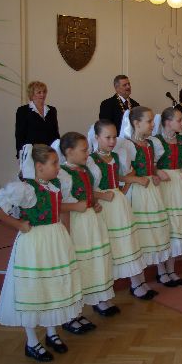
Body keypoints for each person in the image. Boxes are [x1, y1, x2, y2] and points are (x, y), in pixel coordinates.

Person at [0, 144, 83, 362]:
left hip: (55, 239)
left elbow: (58, 208)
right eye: (54, 163)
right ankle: (32, 342)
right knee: (33, 288)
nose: (58, 167)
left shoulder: (56, 184)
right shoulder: (26, 189)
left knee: (53, 285)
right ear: (39, 167)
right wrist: (18, 224)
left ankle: (51, 332)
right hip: (35, 243)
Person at [54, 132, 118, 332]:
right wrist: (67, 231)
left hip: (91, 222)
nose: (87, 153)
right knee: (79, 265)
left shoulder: (85, 169)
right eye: (83, 150)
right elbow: (58, 206)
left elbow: (88, 193)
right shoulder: (62, 175)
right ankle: (72, 315)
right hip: (75, 225)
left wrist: (94, 202)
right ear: (69, 152)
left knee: (93, 262)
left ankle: (96, 300)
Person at [87, 120, 147, 291]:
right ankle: (105, 289)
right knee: (109, 244)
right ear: (96, 137)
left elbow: (120, 176)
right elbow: (87, 188)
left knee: (126, 241)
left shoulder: (116, 156)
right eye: (108, 137)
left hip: (118, 204)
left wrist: (127, 186)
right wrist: (100, 197)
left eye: (114, 137)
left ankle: (137, 282)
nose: (112, 141)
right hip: (103, 206)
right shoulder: (91, 160)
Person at [118, 107, 173, 291]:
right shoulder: (127, 146)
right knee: (139, 235)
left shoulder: (150, 144)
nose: (152, 125)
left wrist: (155, 174)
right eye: (149, 121)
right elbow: (122, 174)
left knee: (154, 231)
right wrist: (137, 179)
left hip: (151, 191)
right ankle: (137, 282)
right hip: (137, 192)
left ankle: (160, 272)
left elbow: (150, 166)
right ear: (136, 123)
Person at [149, 108, 182, 285]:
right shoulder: (156, 141)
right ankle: (161, 271)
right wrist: (158, 171)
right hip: (163, 185)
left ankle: (171, 269)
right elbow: (149, 164)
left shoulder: (181, 139)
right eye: (179, 120)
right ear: (167, 122)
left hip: (178, 183)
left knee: (176, 226)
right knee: (165, 226)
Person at [15, 81, 60, 157]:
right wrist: (20, 155)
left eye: (44, 92)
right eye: (39, 92)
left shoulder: (52, 110)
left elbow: (55, 133)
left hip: (50, 151)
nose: (42, 94)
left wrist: (58, 150)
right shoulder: (23, 111)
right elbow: (20, 135)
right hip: (32, 152)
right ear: (32, 94)